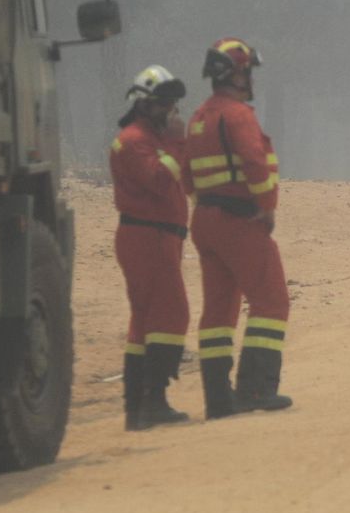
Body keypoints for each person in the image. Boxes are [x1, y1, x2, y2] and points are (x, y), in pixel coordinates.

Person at [183, 38, 293, 419]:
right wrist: (267, 207)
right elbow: (255, 163)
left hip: (205, 220)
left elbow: (187, 175)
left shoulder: (199, 118)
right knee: (271, 301)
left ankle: (218, 399)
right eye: (248, 72)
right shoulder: (238, 115)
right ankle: (255, 389)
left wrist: (205, 206)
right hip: (239, 221)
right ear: (236, 74)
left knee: (218, 310)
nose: (251, 79)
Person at [109, 64, 193, 430]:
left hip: (158, 237)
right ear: (143, 103)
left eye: (172, 104)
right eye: (164, 104)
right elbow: (159, 180)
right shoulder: (134, 141)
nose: (171, 111)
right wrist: (177, 142)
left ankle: (138, 407)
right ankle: (153, 401)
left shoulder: (150, 138)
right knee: (170, 314)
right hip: (148, 237)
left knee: (144, 321)